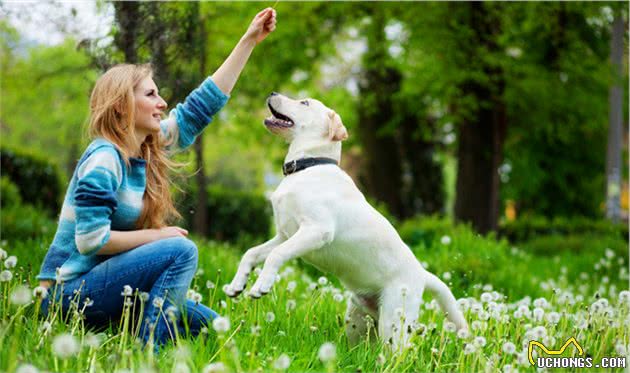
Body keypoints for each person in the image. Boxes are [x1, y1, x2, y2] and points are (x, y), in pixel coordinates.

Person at [36, 7, 277, 351]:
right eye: (150, 95)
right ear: (121, 106)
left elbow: (198, 108)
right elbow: (91, 241)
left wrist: (248, 40)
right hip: (68, 295)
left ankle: (139, 332)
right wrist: (157, 236)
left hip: (107, 286)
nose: (162, 103)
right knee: (180, 249)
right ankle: (149, 352)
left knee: (210, 325)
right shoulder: (104, 159)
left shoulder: (142, 148)